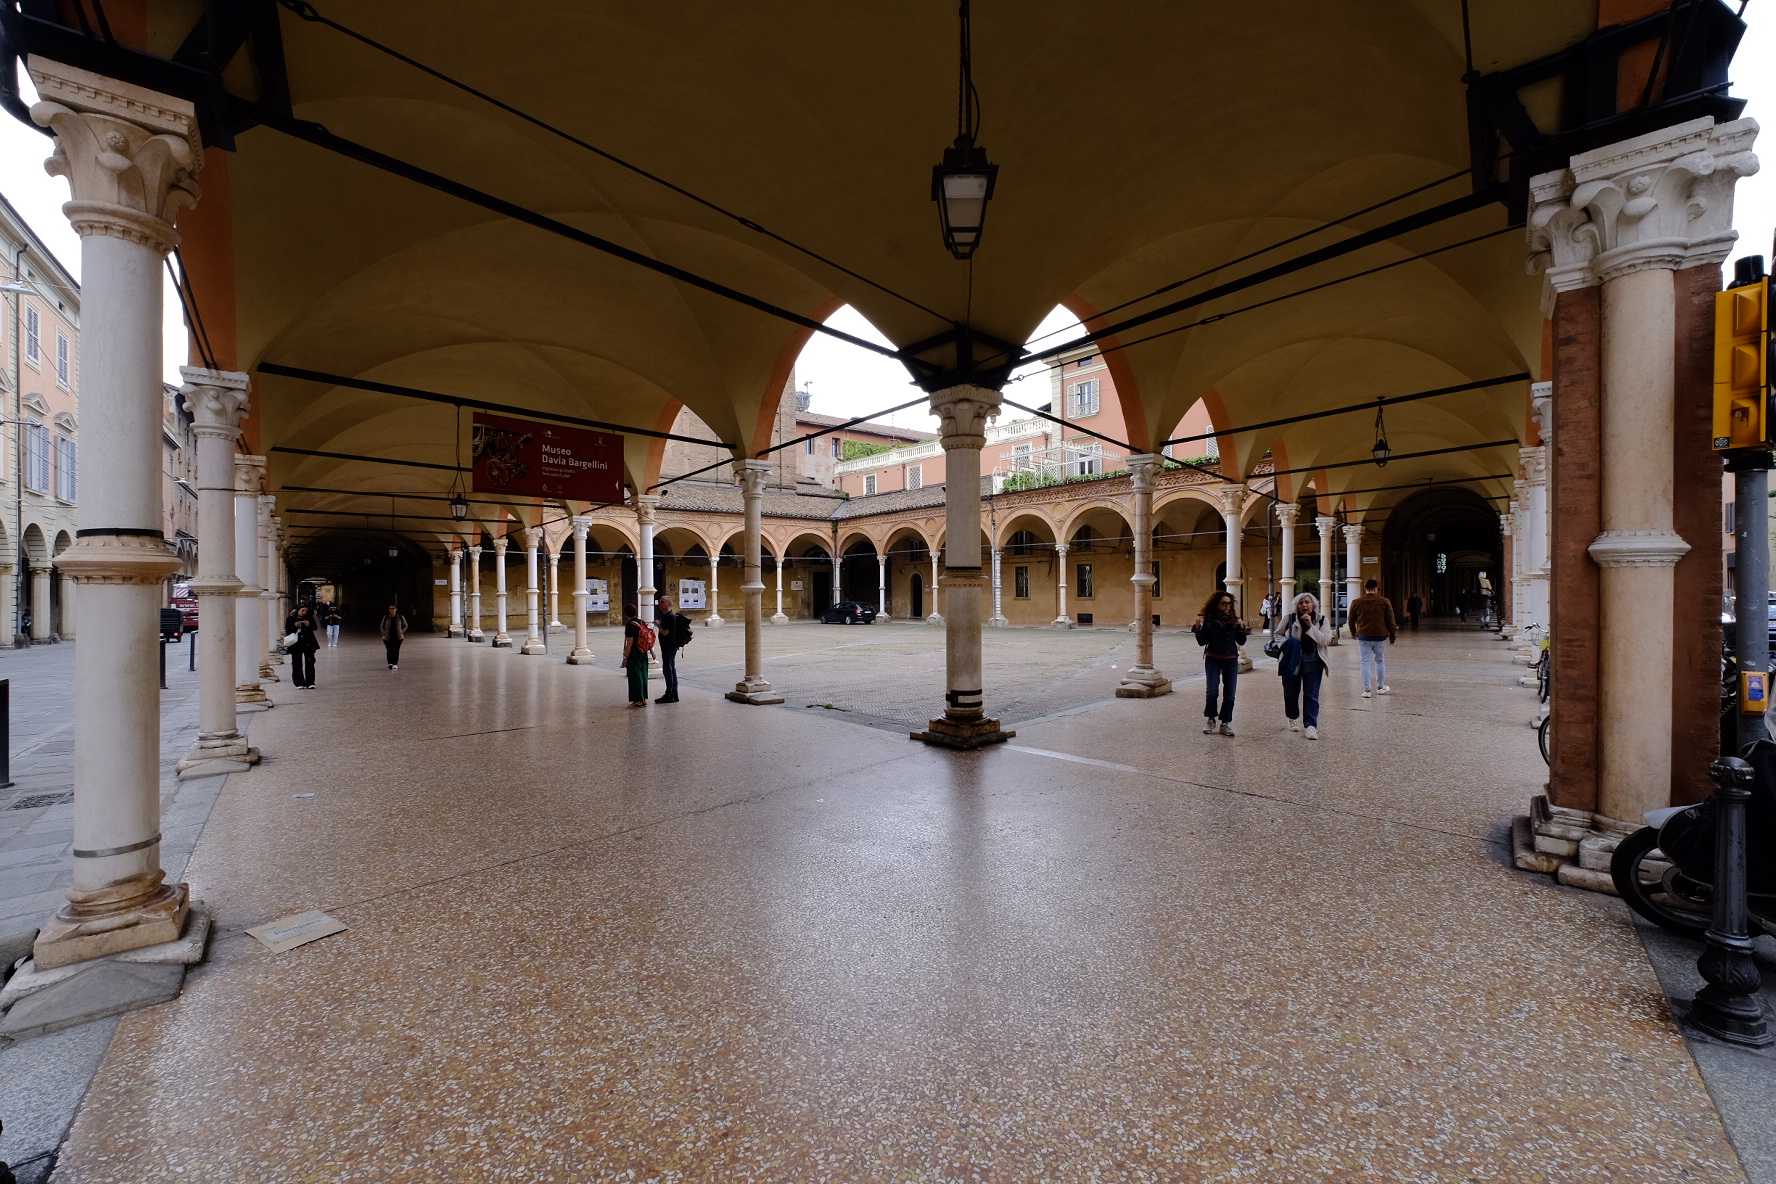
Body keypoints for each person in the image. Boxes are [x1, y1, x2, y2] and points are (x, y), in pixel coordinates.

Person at [1274, 591, 1332, 739]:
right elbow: (1277, 634)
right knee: (1291, 692)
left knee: (1312, 695)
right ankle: (1292, 718)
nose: (1304, 605)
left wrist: (1310, 626)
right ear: (1297, 606)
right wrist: (1286, 645)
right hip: (1292, 662)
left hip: (1314, 662)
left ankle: (1311, 725)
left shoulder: (1322, 620)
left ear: (1313, 605)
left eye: (1307, 602)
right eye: (1301, 603)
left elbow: (1325, 640)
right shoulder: (1289, 618)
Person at [1191, 590, 1249, 736]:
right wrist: (1198, 629)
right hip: (1213, 659)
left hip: (1231, 660)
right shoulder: (1210, 621)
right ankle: (1211, 719)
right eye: (1224, 604)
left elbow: (1241, 641)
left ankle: (1225, 723)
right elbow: (1202, 642)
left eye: (1229, 604)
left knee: (1230, 694)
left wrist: (1242, 628)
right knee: (1212, 691)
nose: (1227, 606)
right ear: (1217, 605)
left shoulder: (1235, 621)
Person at [1349, 578, 1397, 698]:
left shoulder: (1356, 602)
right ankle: (1381, 687)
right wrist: (1392, 635)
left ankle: (1367, 690)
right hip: (1380, 636)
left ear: (1365, 588)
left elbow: (1350, 619)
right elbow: (1390, 620)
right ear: (1376, 589)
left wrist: (1353, 632)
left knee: (1365, 661)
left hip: (1363, 635)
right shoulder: (1384, 601)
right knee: (1379, 660)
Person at [654, 594, 690, 704]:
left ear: (669, 604)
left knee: (667, 670)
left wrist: (658, 625)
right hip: (670, 646)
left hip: (669, 647)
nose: (660, 604)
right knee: (671, 669)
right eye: (660, 602)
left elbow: (665, 632)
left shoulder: (669, 616)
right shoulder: (668, 615)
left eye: (663, 602)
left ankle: (669, 694)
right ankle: (674, 693)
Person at [621, 602, 652, 707]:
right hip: (643, 650)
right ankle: (643, 698)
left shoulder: (630, 625)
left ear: (626, 614)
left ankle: (637, 700)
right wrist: (651, 651)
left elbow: (629, 642)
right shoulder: (641, 622)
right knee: (643, 674)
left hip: (634, 652)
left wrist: (625, 657)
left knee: (635, 676)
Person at [283, 604, 320, 690]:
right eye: (302, 610)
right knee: (296, 663)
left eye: (306, 611)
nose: (304, 613)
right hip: (296, 644)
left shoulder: (309, 618)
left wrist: (308, 624)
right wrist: (295, 626)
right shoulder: (290, 619)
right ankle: (299, 683)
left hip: (308, 643)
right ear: (298, 610)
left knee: (310, 662)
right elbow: (288, 631)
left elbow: (315, 628)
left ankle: (310, 682)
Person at [380, 604, 408, 670]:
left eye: (393, 608)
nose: (391, 610)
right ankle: (390, 663)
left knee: (396, 650)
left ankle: (395, 663)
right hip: (388, 636)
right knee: (389, 650)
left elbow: (405, 625)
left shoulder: (400, 617)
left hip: (398, 637)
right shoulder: (386, 617)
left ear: (396, 609)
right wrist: (384, 633)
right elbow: (381, 626)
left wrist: (402, 632)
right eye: (390, 608)